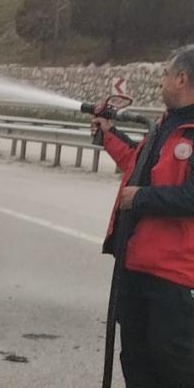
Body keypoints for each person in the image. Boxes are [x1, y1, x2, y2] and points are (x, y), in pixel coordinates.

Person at [94, 44, 194, 387]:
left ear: (182, 79)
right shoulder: (164, 127)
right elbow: (137, 165)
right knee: (135, 360)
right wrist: (108, 135)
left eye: (165, 74)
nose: (161, 81)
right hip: (134, 266)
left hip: (174, 274)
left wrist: (141, 199)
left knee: (173, 362)